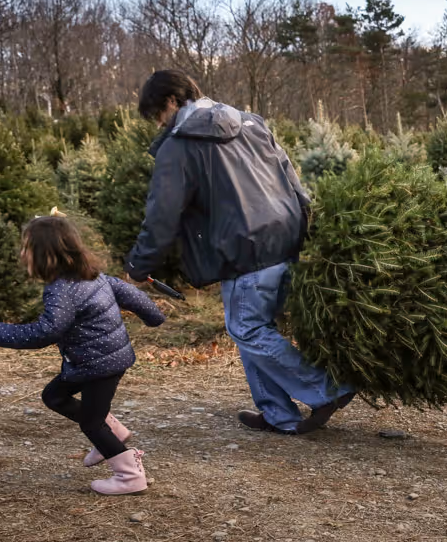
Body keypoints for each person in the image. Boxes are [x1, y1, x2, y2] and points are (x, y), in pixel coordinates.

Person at [125, 69, 356, 435]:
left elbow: (162, 214)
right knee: (250, 325)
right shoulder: (250, 124)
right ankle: (279, 414)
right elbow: (289, 175)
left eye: (157, 115)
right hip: (284, 235)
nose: (159, 124)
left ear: (171, 101)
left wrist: (140, 263)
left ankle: (325, 390)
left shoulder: (180, 144)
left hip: (245, 245)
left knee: (247, 327)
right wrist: (305, 224)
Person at [0, 214, 165, 495]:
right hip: (97, 361)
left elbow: (48, 330)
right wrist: (154, 317)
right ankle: (115, 432)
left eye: (26, 247)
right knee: (54, 396)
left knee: (91, 423)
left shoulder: (61, 290)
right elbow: (135, 296)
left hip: (97, 365)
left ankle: (129, 475)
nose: (22, 253)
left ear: (45, 254)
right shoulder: (96, 277)